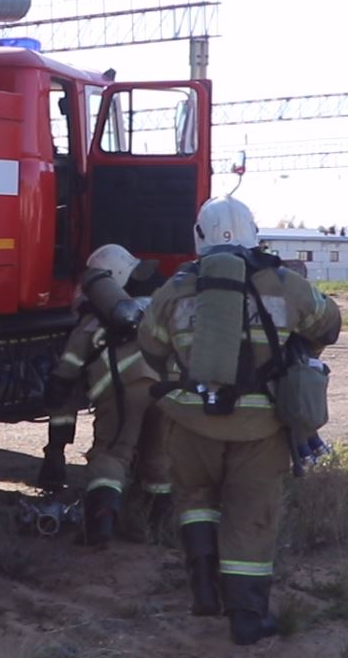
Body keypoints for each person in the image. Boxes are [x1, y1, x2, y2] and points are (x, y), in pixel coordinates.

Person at [137, 195, 341, 646]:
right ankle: (246, 617)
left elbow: (149, 344)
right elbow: (328, 325)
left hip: (190, 422)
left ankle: (203, 587)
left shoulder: (176, 288)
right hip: (260, 429)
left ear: (199, 236)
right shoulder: (285, 284)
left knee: (195, 499)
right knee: (251, 517)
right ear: (253, 233)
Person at [39, 244, 171, 544]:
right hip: (165, 386)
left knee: (112, 455)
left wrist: (55, 449)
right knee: (158, 458)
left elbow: (67, 374)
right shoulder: (152, 306)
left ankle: (100, 528)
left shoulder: (92, 319)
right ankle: (157, 527)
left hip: (125, 389)